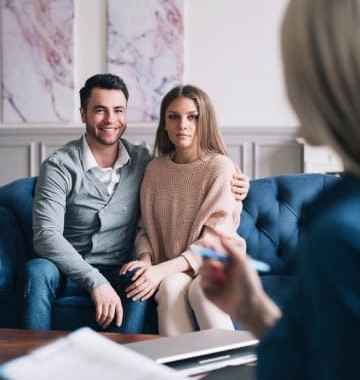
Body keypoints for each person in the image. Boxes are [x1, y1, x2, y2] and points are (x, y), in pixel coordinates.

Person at [42, 0, 360, 380]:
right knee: (169, 296)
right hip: (188, 290)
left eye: (293, 66)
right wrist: (253, 308)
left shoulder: (337, 231)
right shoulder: (149, 166)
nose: (181, 125)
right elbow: (324, 377)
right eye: (172, 116)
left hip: (201, 283)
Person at [24, 74, 250, 332]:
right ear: (83, 114)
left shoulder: (141, 160)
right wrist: (100, 278)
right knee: (37, 270)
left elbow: (198, 173)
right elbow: (46, 235)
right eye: (100, 110)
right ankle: (34, 359)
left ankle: (130, 360)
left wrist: (241, 180)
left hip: (129, 269)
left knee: (155, 280)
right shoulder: (61, 166)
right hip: (66, 268)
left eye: (118, 110)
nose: (110, 119)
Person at [120, 85, 245, 335]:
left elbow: (213, 244)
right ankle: (182, 372)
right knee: (170, 288)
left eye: (192, 116)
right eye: (173, 116)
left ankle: (234, 369)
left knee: (203, 290)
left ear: (205, 120)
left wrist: (158, 271)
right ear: (164, 124)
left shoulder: (220, 167)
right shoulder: (155, 170)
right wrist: (146, 262)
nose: (182, 125)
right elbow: (145, 228)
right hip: (177, 268)